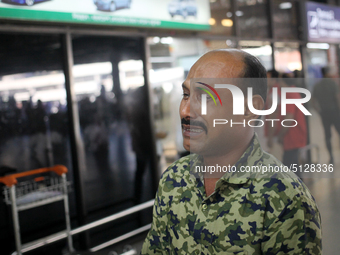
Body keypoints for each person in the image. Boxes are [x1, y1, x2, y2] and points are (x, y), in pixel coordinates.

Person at [141, 49, 321, 254]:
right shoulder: (173, 180)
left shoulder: (283, 199)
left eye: (206, 97)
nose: (185, 111)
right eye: (186, 95)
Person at [277, 73, 308, 178]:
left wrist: (281, 134)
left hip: (292, 136)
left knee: (288, 166)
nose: (279, 84)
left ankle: (297, 191)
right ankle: (300, 190)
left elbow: (289, 119)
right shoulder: (293, 93)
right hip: (294, 136)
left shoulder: (290, 95)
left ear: (285, 83)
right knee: (293, 166)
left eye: (280, 81)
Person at [312, 66, 340, 164]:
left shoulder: (317, 85)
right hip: (335, 112)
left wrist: (319, 111)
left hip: (324, 113)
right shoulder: (333, 84)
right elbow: (337, 98)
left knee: (327, 135)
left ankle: (331, 157)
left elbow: (312, 101)